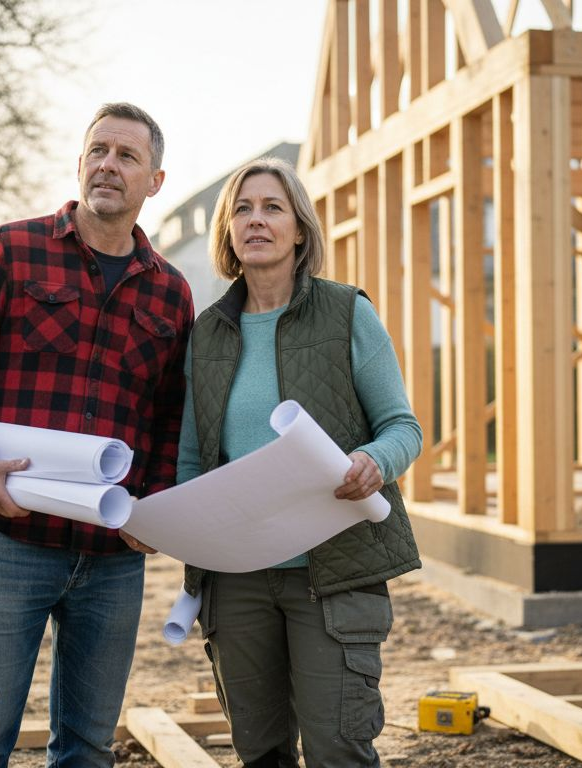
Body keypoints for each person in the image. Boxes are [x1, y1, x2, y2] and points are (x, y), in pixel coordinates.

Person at [0, 102, 194, 768]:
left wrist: (155, 507)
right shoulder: (10, 251)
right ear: (80, 163)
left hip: (113, 557)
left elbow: (170, 419)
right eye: (98, 150)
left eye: (127, 156)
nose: (108, 165)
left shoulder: (171, 294)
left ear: (154, 182)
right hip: (10, 541)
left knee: (88, 750)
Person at [177, 157, 423, 767]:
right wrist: (181, 531)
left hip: (333, 570)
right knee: (260, 751)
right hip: (236, 577)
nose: (255, 220)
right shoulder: (207, 334)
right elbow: (191, 459)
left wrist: (373, 460)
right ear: (228, 231)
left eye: (272, 207)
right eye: (242, 209)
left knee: (338, 746)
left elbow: (404, 428)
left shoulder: (347, 313)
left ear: (299, 229)